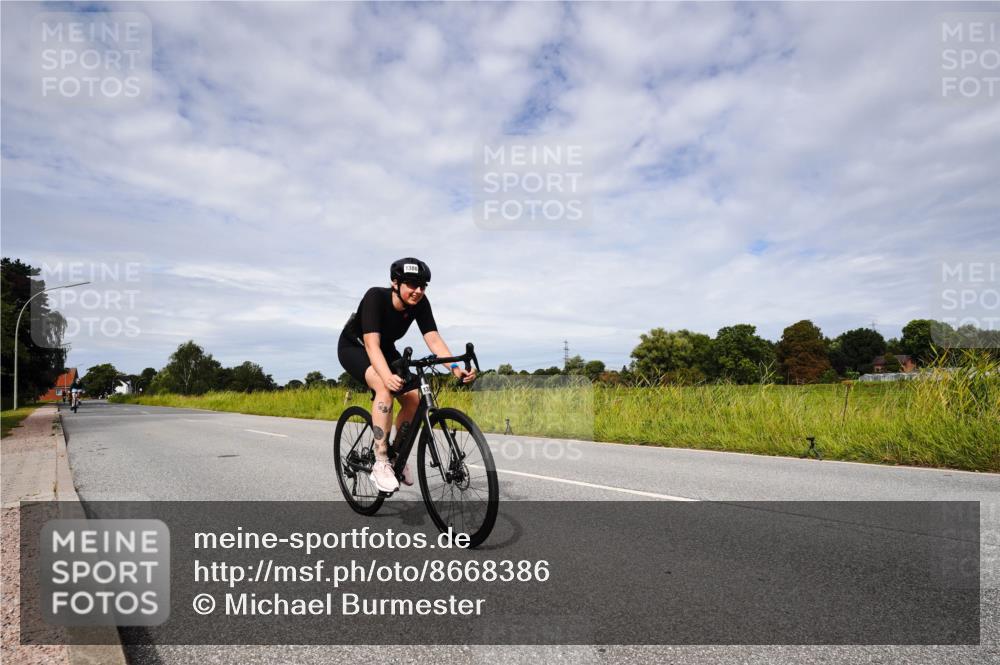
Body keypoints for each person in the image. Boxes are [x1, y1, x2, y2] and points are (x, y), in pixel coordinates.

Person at [338, 258, 476, 492]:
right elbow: (372, 344)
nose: (418, 291)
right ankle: (380, 460)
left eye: (423, 286)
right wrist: (386, 376)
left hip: (385, 347)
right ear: (395, 283)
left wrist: (454, 369)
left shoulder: (420, 303)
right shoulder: (375, 297)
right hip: (356, 346)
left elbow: (433, 338)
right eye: (412, 284)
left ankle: (395, 457)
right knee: (385, 387)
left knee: (413, 398)